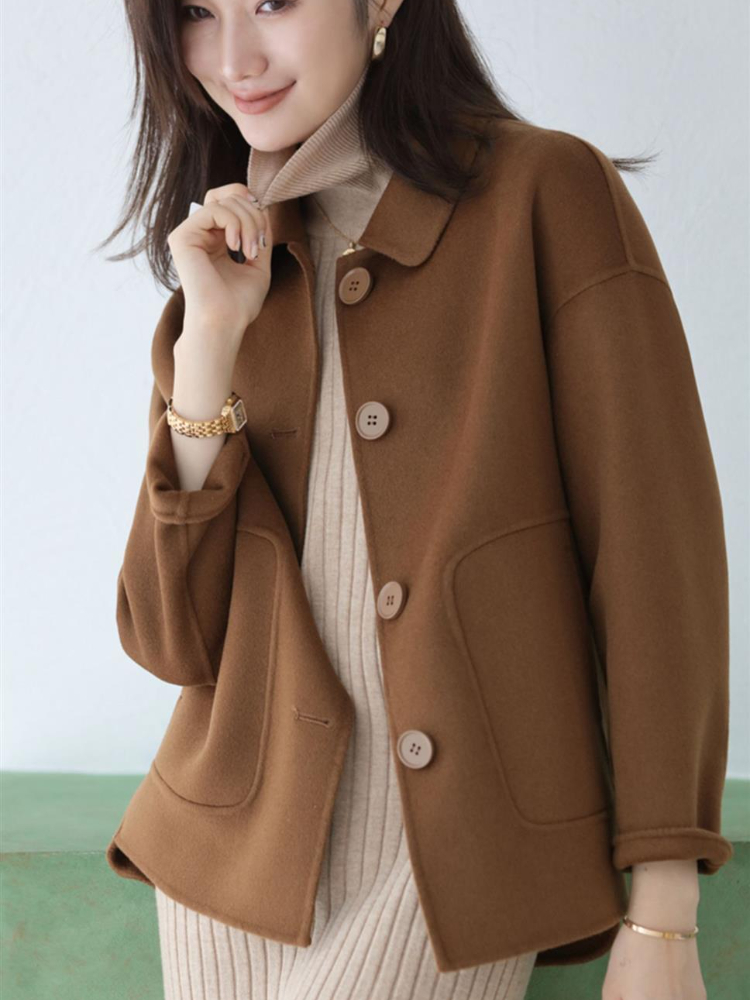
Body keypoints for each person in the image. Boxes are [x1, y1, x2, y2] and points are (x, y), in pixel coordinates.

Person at [99, 1, 733, 998]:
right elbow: (171, 638)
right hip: (228, 863)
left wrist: (664, 910)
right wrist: (208, 347)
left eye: (273, 1)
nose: (233, 57)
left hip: (453, 864)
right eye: (196, 13)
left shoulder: (546, 195)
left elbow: (656, 558)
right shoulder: (228, 265)